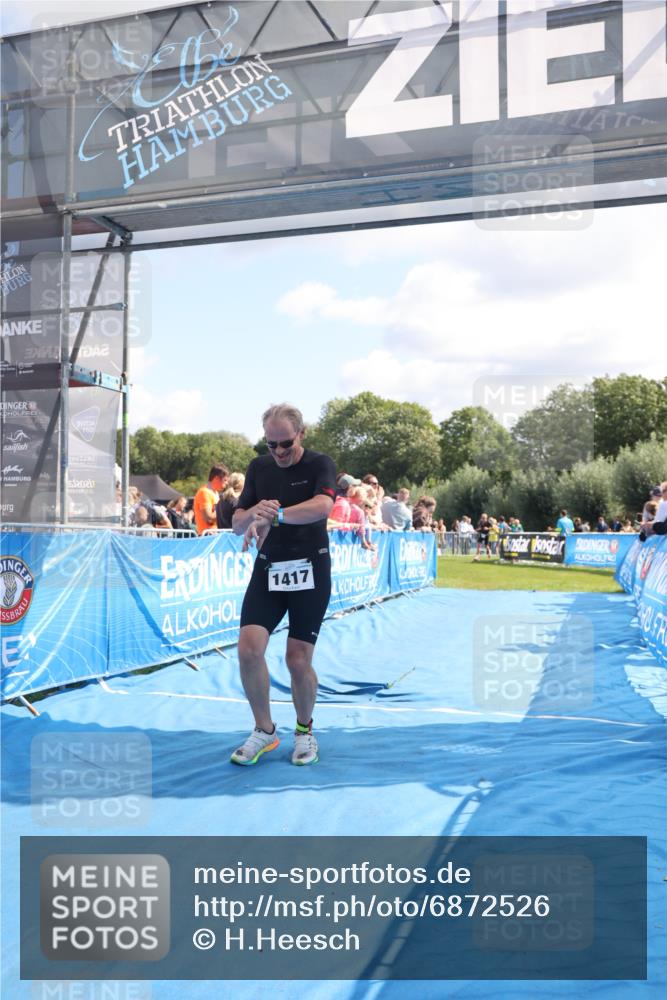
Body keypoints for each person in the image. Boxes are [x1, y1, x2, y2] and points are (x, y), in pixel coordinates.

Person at [230, 403, 335, 768]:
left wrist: (278, 515)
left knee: (296, 658)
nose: (277, 452)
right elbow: (237, 522)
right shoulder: (259, 467)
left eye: (285, 444)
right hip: (269, 569)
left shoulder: (320, 464)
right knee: (248, 649)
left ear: (301, 434)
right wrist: (253, 513)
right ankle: (265, 730)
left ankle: (304, 731)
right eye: (270, 444)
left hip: (310, 569)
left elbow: (323, 506)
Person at [193, 464, 229, 535]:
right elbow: (208, 518)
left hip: (214, 535)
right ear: (216, 478)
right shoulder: (204, 492)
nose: (227, 483)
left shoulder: (215, 493)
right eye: (225, 480)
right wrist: (224, 511)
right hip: (207, 536)